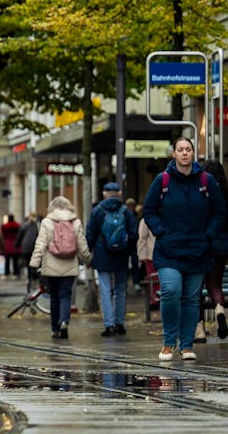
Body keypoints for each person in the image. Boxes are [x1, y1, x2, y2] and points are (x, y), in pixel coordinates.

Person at [144, 137, 226, 360]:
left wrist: (208, 234)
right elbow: (149, 210)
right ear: (174, 154)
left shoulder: (206, 181)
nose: (184, 153)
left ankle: (187, 345)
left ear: (193, 153)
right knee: (171, 291)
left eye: (188, 149)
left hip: (198, 250)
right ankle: (169, 342)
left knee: (191, 299)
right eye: (180, 150)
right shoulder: (163, 180)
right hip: (168, 250)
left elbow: (220, 211)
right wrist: (161, 231)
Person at [28, 195, 91, 340]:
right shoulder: (76, 222)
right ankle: (64, 321)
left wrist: (34, 263)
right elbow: (82, 245)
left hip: (51, 266)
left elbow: (40, 244)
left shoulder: (46, 222)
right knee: (65, 295)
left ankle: (55, 329)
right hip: (69, 265)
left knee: (54, 297)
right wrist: (88, 260)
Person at [86, 181, 136, 337]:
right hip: (121, 256)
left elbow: (90, 235)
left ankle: (108, 325)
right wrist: (128, 250)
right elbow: (134, 234)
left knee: (105, 290)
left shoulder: (97, 211)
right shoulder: (126, 211)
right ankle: (120, 323)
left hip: (102, 255)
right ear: (119, 193)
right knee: (121, 290)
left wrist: (88, 254)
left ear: (104, 193)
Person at [202, 162, 228, 340]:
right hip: (223, 246)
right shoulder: (226, 193)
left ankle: (199, 331)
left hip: (204, 244)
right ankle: (219, 308)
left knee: (195, 287)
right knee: (215, 284)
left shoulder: (204, 194)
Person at [15, 213, 39, 284]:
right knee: (35, 263)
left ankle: (29, 278)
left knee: (28, 263)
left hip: (26, 246)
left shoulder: (24, 225)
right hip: (35, 246)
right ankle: (34, 278)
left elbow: (19, 236)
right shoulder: (38, 225)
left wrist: (17, 245)